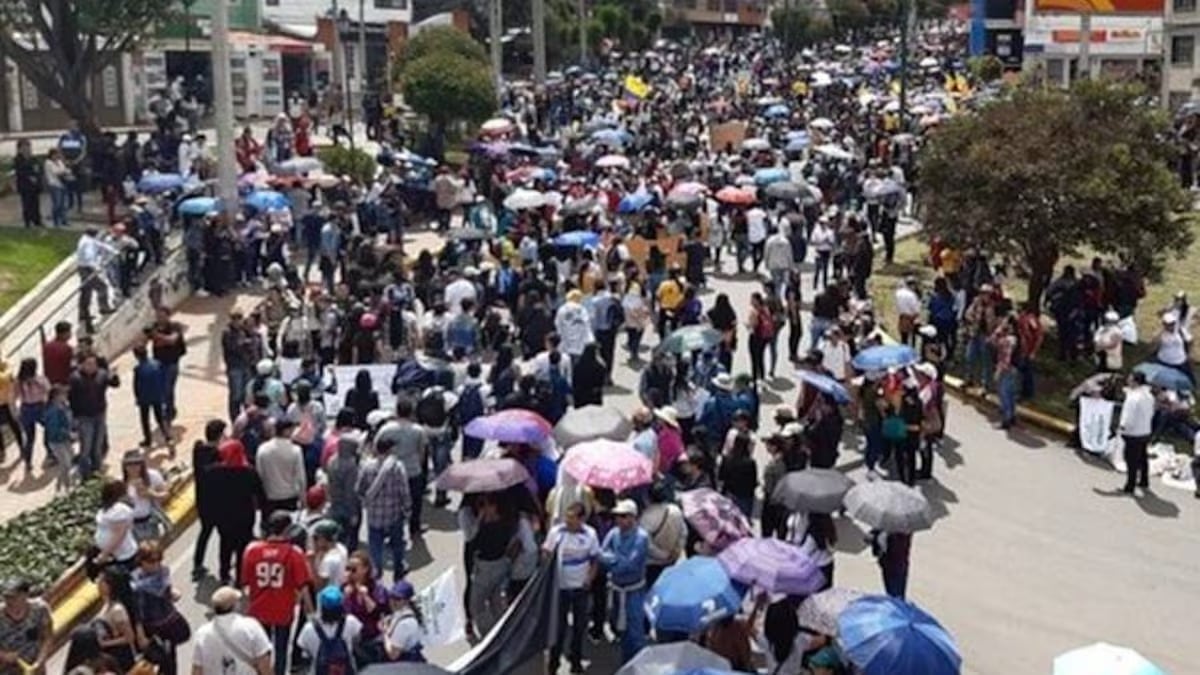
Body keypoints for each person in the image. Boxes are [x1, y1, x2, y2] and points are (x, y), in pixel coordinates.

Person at [242, 511, 314, 675]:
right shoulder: (294, 552)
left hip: (259, 609)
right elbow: (303, 587)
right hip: (283, 610)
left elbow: (245, 585)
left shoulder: (252, 550)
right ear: (287, 530)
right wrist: (310, 613)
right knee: (281, 650)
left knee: (261, 650)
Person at [543, 502, 600, 675]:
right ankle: (553, 664)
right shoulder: (556, 532)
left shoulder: (590, 534)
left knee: (579, 627)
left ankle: (575, 661)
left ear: (582, 519)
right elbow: (546, 553)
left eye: (572, 519)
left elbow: (595, 560)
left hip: (580, 589)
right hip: (560, 589)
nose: (568, 522)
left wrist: (589, 579)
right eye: (566, 518)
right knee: (558, 629)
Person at [599, 499, 648, 664]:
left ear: (633, 517)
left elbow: (631, 565)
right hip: (616, 588)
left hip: (634, 590)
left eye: (624, 516)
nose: (619, 519)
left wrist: (613, 563)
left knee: (635, 632)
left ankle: (637, 666)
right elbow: (601, 554)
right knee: (620, 629)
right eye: (617, 516)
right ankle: (625, 663)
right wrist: (618, 561)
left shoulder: (641, 537)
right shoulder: (613, 533)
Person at [210, 439, 262, 585]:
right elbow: (259, 492)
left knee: (225, 545)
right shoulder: (249, 472)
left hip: (224, 518)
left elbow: (211, 495)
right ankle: (240, 578)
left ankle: (224, 574)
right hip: (244, 517)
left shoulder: (215, 472)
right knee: (242, 549)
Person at [193, 586, 274, 675]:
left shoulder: (202, 633)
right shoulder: (251, 627)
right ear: (235, 606)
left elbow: (197, 669)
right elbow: (264, 663)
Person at [69, 354, 119, 479]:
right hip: (84, 417)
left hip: (99, 414)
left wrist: (114, 375)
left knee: (98, 445)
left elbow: (114, 384)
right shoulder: (75, 378)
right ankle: (85, 474)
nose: (92, 367)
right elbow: (72, 399)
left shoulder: (101, 374)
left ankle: (97, 469)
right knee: (86, 447)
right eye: (88, 364)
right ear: (82, 365)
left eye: (94, 364)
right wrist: (75, 419)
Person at [341, 552, 390, 664]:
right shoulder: (345, 588)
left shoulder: (376, 588)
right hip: (352, 639)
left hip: (371, 638)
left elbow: (378, 612)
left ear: (365, 569)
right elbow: (338, 612)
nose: (350, 573)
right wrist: (344, 597)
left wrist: (365, 596)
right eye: (348, 569)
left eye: (354, 570)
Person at [193, 420, 227, 580]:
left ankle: (197, 564)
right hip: (218, 502)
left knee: (205, 533)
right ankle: (224, 567)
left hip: (202, 500)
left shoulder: (198, 449)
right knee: (224, 535)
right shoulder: (218, 454)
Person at [255, 419, 307, 521]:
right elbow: (301, 477)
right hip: (289, 497)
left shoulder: (262, 449)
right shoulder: (295, 450)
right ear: (286, 431)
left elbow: (259, 474)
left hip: (269, 496)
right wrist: (303, 499)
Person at [0, 578, 51, 674]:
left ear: (25, 595)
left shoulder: (40, 609)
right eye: (6, 597)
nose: (9, 601)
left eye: (13, 597)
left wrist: (40, 661)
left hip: (33, 666)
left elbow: (47, 637)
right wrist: (4, 655)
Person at [640, 482, 686, 587]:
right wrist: (676, 551)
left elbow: (646, 543)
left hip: (652, 563)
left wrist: (662, 555)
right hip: (672, 560)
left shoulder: (646, 517)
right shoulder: (676, 510)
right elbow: (683, 533)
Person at [94, 568, 137, 671]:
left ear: (109, 586)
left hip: (121, 659)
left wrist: (105, 644)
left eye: (101, 580)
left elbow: (129, 637)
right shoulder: (106, 605)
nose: (98, 582)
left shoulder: (117, 610)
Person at [1119, 371, 1155, 495]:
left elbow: (1129, 416)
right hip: (1145, 430)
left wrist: (1123, 427)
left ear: (1135, 381)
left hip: (1133, 432)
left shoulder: (1133, 397)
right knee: (1142, 456)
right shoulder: (1149, 396)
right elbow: (1151, 413)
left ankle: (1130, 484)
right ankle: (1144, 480)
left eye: (1130, 378)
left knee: (1131, 459)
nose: (1128, 380)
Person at [93, 478, 138, 574]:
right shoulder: (108, 508)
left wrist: (105, 554)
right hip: (113, 555)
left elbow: (119, 535)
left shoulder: (119, 509)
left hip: (122, 554)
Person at [123, 450, 168, 542]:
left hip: (150, 521)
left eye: (136, 464)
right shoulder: (121, 484)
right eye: (129, 464)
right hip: (133, 526)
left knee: (154, 552)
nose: (133, 468)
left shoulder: (152, 476)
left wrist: (151, 494)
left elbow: (165, 494)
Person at [132, 346, 171, 449]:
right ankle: (167, 437)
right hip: (157, 396)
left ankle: (148, 440)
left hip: (144, 398)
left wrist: (137, 397)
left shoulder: (138, 369)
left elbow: (136, 386)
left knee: (145, 420)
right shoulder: (157, 364)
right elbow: (163, 379)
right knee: (160, 418)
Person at [382, 581, 426, 663]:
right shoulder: (400, 613)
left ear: (406, 601)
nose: (392, 601)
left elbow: (393, 654)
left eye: (398, 599)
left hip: (404, 666)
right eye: (391, 597)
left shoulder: (405, 624)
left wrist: (384, 634)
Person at [43, 385, 72, 491]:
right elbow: (55, 429)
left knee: (67, 463)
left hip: (65, 440)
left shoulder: (63, 406)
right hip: (56, 441)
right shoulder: (53, 411)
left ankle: (60, 486)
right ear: (56, 396)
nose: (66, 396)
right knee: (65, 464)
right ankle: (66, 487)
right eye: (63, 394)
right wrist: (69, 434)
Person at [871, 530, 912, 599]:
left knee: (896, 596)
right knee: (891, 593)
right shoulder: (885, 525)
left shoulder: (903, 530)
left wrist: (885, 540)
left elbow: (897, 549)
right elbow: (874, 534)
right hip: (887, 564)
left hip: (897, 567)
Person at [13, 140, 42, 228]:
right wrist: (29, 176)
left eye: (28, 146)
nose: (27, 149)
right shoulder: (18, 159)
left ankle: (37, 220)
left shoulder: (33, 158)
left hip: (34, 186)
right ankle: (28, 221)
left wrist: (36, 176)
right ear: (20, 149)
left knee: (36, 203)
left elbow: (38, 168)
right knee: (27, 204)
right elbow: (20, 171)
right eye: (24, 147)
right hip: (25, 185)